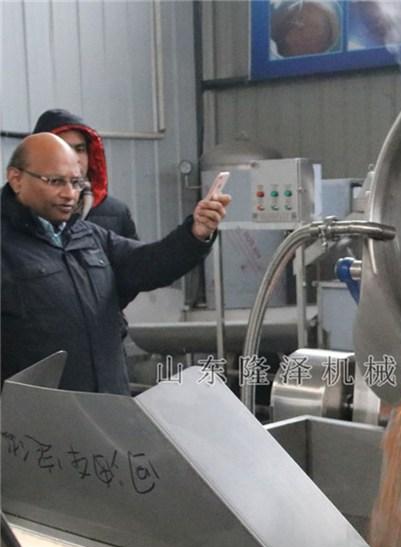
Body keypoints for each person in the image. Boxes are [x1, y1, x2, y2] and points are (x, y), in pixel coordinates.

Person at [1, 133, 230, 394]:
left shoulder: (88, 236)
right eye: (55, 182)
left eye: (76, 183)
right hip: (39, 412)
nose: (69, 194)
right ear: (16, 179)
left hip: (108, 403)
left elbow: (151, 264)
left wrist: (196, 233)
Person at [32, 109, 138, 239]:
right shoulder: (18, 212)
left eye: (80, 149)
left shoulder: (116, 213)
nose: (74, 158)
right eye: (63, 148)